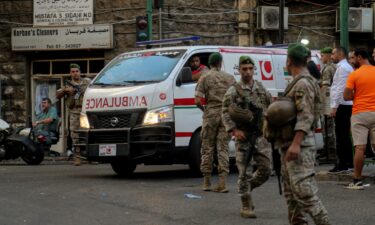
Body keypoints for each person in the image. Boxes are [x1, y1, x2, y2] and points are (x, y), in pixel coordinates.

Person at [265, 44, 330, 225]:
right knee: (291, 195)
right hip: (288, 145)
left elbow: (305, 115)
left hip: (299, 147)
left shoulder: (302, 83)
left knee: (305, 193)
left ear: (289, 61)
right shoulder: (298, 81)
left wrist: (296, 143)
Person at [222, 56, 272, 218]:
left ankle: (246, 188)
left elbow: (270, 107)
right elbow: (225, 113)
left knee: (266, 169)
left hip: (260, 136)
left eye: (250, 68)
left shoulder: (261, 88)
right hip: (244, 137)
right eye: (245, 69)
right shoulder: (233, 91)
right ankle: (245, 205)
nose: (248, 72)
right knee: (244, 172)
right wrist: (233, 131)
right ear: (239, 70)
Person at [195, 52, 236, 192]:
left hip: (210, 114)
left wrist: (205, 109)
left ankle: (206, 182)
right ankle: (223, 183)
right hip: (225, 115)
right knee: (223, 148)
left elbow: (197, 100)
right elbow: (236, 99)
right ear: (220, 63)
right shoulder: (230, 78)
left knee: (207, 147)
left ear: (210, 64)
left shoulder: (204, 77)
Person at [343, 48, 375, 190]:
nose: (352, 60)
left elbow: (346, 96)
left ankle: (357, 180)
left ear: (360, 57)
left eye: (353, 58)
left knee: (360, 148)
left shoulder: (354, 74)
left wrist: (357, 94)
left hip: (360, 113)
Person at [56, 63, 91, 166]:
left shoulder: (87, 82)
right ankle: (78, 157)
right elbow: (57, 95)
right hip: (74, 112)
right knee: (75, 135)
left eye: (76, 71)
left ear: (80, 72)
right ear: (70, 73)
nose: (75, 73)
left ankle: (91, 156)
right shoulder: (67, 85)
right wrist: (65, 90)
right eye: (73, 71)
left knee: (88, 134)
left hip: (86, 111)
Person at [329, 46, 354, 173]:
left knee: (341, 135)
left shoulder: (343, 68)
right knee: (344, 135)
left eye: (333, 54)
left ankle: (343, 164)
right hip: (345, 104)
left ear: (339, 54)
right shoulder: (345, 67)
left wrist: (334, 107)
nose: (331, 56)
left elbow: (340, 89)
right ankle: (348, 162)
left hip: (342, 105)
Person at [319, 47, 336, 160]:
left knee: (328, 127)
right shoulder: (333, 67)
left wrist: (318, 95)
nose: (321, 58)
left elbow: (325, 85)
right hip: (332, 100)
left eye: (323, 55)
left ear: (329, 55)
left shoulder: (328, 68)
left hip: (327, 100)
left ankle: (330, 153)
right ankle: (329, 152)